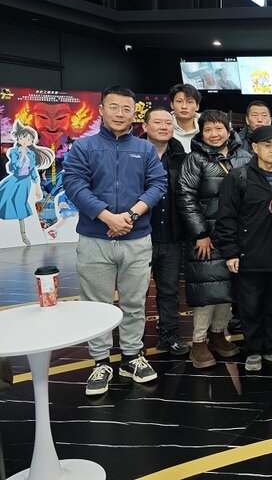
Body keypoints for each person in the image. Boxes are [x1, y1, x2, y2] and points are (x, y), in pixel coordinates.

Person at [63, 86, 167, 396]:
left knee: (135, 302)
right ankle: (100, 362)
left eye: (126, 109)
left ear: (134, 113)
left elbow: (158, 184)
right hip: (95, 238)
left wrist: (130, 216)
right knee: (96, 304)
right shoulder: (84, 147)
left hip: (137, 238)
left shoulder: (145, 149)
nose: (120, 114)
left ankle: (132, 356)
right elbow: (74, 184)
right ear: (101, 110)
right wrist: (107, 217)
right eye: (114, 107)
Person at [215, 125, 272, 373]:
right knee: (250, 306)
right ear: (255, 148)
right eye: (267, 145)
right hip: (250, 252)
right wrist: (230, 252)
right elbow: (226, 217)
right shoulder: (239, 177)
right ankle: (253, 350)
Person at [177, 110, 249, 369]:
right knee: (206, 288)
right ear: (201, 132)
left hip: (236, 235)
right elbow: (185, 197)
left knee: (228, 287)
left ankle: (218, 334)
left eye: (219, 128)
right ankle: (198, 341)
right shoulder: (195, 159)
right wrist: (201, 233)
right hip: (206, 237)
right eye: (208, 129)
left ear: (229, 130)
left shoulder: (244, 156)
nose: (214, 134)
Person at [141, 106, 189, 356]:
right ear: (145, 126)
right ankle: (134, 342)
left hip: (171, 236)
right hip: (139, 236)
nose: (163, 127)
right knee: (136, 293)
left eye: (168, 123)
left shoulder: (182, 157)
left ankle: (169, 335)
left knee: (170, 290)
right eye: (157, 122)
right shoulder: (133, 154)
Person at [0, 120, 55, 246]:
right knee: (4, 200)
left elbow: (33, 171)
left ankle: (23, 235)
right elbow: (13, 168)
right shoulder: (13, 152)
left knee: (20, 205)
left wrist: (37, 187)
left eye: (29, 139)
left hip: (24, 183)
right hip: (14, 180)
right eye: (23, 138)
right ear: (18, 138)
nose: (26, 141)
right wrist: (21, 157)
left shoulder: (31, 154)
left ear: (32, 142)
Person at [237, 100, 272, 166]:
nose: (259, 120)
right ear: (247, 120)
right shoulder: (237, 143)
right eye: (255, 115)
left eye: (264, 115)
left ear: (270, 120)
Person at [170, 84, 201, 152]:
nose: (184, 106)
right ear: (172, 104)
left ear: (197, 106)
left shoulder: (206, 126)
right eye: (179, 101)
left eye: (189, 102)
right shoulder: (164, 127)